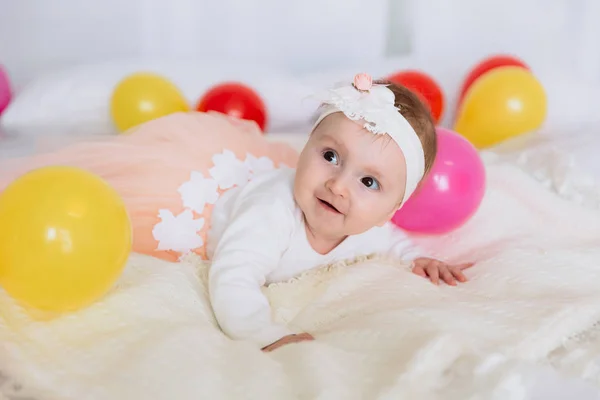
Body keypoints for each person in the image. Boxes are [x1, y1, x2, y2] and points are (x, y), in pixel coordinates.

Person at [205, 73, 474, 352]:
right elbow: (232, 275)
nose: (338, 186)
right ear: (307, 145)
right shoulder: (270, 211)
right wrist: (263, 332)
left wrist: (415, 257)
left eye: (368, 182)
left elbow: (391, 240)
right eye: (330, 156)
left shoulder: (369, 228)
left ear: (388, 213)